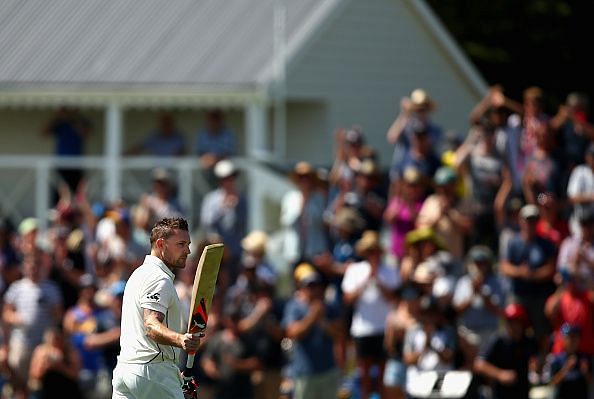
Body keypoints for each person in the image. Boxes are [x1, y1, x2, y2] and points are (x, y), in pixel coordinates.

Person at [111, 217, 202, 399]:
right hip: (152, 372)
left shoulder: (138, 274)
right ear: (161, 244)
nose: (188, 250)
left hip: (125, 372)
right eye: (181, 244)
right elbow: (150, 325)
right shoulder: (159, 278)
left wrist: (175, 377)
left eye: (188, 244)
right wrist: (181, 339)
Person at [341, 231, 400, 399]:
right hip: (363, 329)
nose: (373, 255)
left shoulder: (389, 270)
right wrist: (367, 280)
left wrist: (379, 282)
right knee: (364, 378)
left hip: (384, 329)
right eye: (370, 251)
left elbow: (394, 298)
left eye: (376, 250)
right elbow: (348, 299)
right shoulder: (355, 270)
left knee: (383, 379)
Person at [2, 248, 63, 399]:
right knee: (18, 382)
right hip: (21, 341)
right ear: (24, 267)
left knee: (37, 385)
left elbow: (58, 316)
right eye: (30, 265)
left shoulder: (51, 288)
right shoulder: (16, 288)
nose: (33, 268)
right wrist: (17, 318)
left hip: (42, 344)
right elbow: (6, 313)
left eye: (36, 264)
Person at [282, 264, 342, 399]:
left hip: (328, 371)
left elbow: (339, 335)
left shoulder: (330, 308)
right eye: (310, 286)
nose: (314, 290)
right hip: (304, 373)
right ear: (302, 288)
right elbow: (292, 333)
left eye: (316, 285)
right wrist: (312, 318)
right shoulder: (294, 307)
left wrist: (322, 322)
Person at [474, 303, 539, 399]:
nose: (514, 327)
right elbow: (479, 364)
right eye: (511, 323)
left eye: (517, 323)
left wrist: (535, 364)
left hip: (524, 393)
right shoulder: (499, 341)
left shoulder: (529, 342)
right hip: (502, 394)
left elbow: (536, 360)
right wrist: (500, 374)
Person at [200, 159, 247, 286]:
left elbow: (242, 225)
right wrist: (223, 208)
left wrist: (236, 208)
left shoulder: (241, 199)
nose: (229, 181)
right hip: (215, 252)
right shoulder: (211, 199)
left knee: (232, 285)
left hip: (234, 253)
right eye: (226, 178)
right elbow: (206, 221)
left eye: (231, 177)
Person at [42, 107, 91, 194]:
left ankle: (76, 207)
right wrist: (59, 118)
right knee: (59, 191)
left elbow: (85, 134)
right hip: (61, 162)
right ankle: (58, 207)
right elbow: (44, 133)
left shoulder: (80, 121)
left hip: (77, 162)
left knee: (77, 191)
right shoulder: (60, 122)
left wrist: (72, 119)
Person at [545, 323, 591, 399]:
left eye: (575, 337)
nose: (573, 341)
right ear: (564, 339)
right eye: (570, 337)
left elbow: (590, 382)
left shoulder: (585, 358)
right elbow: (553, 383)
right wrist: (566, 368)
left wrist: (585, 372)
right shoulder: (557, 359)